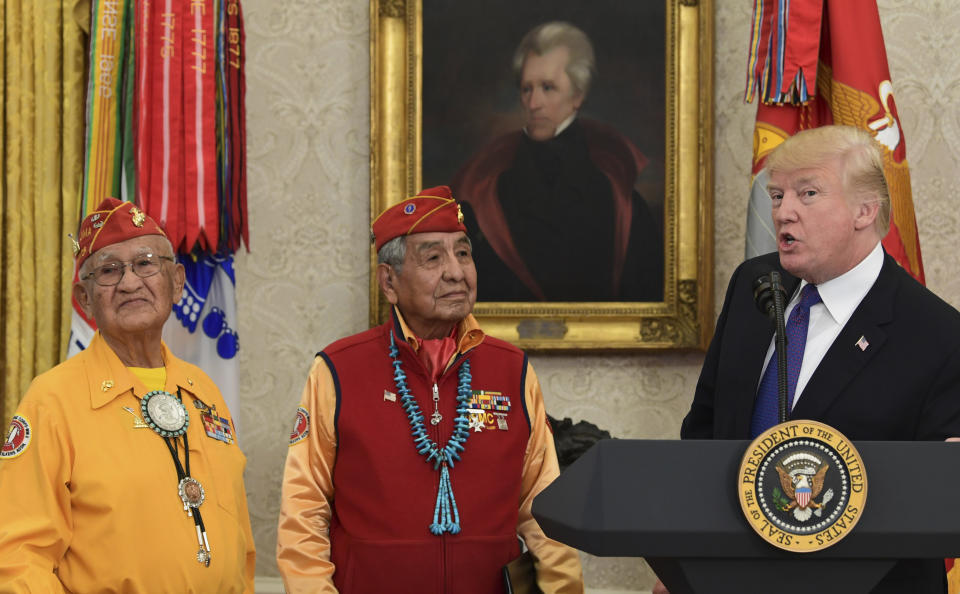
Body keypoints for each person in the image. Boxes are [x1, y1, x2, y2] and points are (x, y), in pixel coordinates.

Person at [678, 125, 960, 592]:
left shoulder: (937, 335)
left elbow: (934, 495)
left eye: (807, 193)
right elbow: (704, 430)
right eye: (776, 195)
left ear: (864, 211)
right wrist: (685, 566)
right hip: (729, 579)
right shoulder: (755, 285)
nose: (783, 212)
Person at [276, 186, 583, 593]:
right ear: (389, 281)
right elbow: (303, 511)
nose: (456, 272)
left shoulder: (511, 368)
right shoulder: (338, 369)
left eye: (463, 253)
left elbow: (545, 510)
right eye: (433, 258)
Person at [0, 198, 255, 592]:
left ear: (177, 283)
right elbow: (18, 557)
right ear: (85, 299)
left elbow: (239, 539)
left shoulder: (205, 391)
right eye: (108, 271)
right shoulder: (51, 401)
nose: (130, 282)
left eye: (146, 263)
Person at [452, 21, 663, 302]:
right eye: (527, 89)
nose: (533, 102)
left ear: (577, 95)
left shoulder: (616, 193)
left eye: (548, 88)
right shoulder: (488, 187)